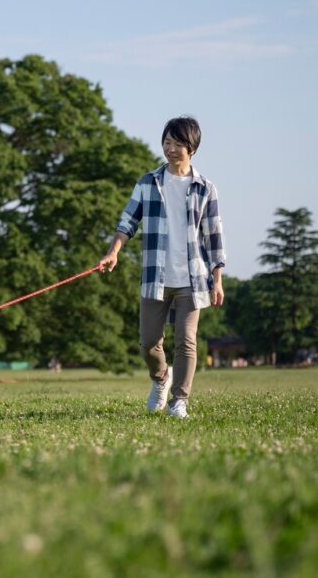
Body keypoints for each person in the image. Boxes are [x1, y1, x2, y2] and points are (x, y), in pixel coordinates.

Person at [96, 116, 226, 419]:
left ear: (191, 148)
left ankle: (179, 400)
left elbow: (214, 236)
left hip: (193, 278)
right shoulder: (148, 182)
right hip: (155, 276)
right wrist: (113, 252)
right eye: (167, 142)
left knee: (186, 341)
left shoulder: (206, 188)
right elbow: (127, 220)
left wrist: (217, 279)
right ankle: (160, 379)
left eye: (178, 144)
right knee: (148, 342)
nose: (170, 149)